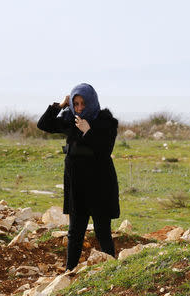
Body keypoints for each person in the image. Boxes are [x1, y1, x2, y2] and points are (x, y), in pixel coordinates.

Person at [37, 83, 120, 270]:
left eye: (83, 103)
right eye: (76, 103)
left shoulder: (107, 122)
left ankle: (112, 271)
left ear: (92, 102)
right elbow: (43, 124)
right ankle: (69, 272)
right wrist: (59, 106)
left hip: (100, 185)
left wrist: (88, 131)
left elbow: (105, 150)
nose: (80, 108)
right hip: (77, 185)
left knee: (102, 231)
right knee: (75, 232)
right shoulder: (70, 119)